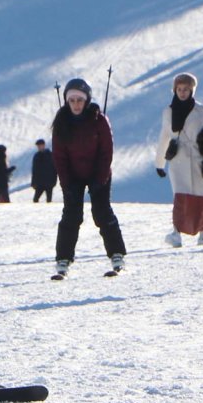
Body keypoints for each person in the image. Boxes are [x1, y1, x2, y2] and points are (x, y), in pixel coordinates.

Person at [51, 78, 128, 278]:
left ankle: (117, 255)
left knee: (102, 213)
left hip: (98, 173)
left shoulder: (98, 120)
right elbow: (59, 156)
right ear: (67, 101)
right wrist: (66, 182)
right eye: (72, 100)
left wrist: (100, 178)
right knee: (71, 215)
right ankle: (63, 260)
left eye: (80, 100)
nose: (76, 104)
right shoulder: (61, 122)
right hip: (72, 176)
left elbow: (106, 152)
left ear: (87, 100)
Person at [155, 73, 203, 247]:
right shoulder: (168, 111)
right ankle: (176, 233)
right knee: (180, 197)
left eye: (186, 89)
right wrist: (159, 163)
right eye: (179, 89)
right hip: (178, 159)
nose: (182, 93)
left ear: (192, 90)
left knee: (201, 197)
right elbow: (164, 136)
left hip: (200, 160)